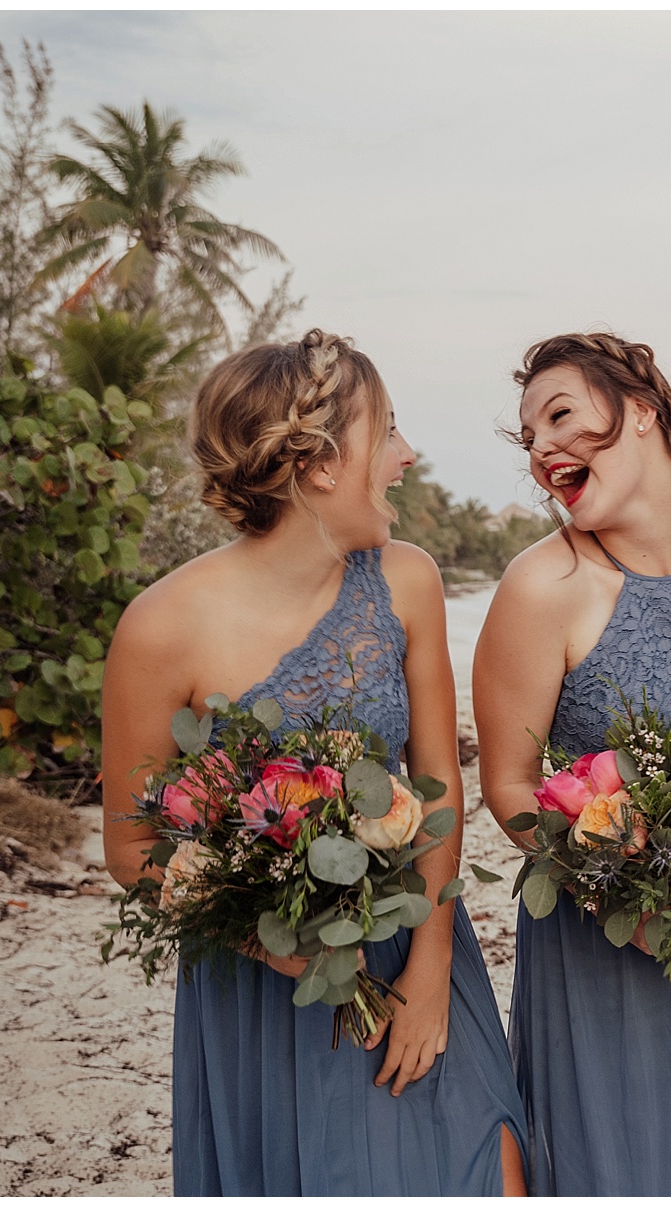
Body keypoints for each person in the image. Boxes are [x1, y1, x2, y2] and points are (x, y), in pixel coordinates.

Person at [100, 330, 528, 1195]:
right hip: (263, 986)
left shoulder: (406, 579)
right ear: (323, 463)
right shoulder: (158, 627)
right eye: (391, 432)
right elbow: (131, 850)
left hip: (418, 944)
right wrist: (281, 949)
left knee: (488, 1163)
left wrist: (432, 967)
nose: (408, 455)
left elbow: (438, 788)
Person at [473, 332, 671, 1195]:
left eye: (562, 414)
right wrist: (625, 903)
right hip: (604, 948)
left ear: (644, 411)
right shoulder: (539, 587)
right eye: (530, 433)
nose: (543, 446)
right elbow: (506, 784)